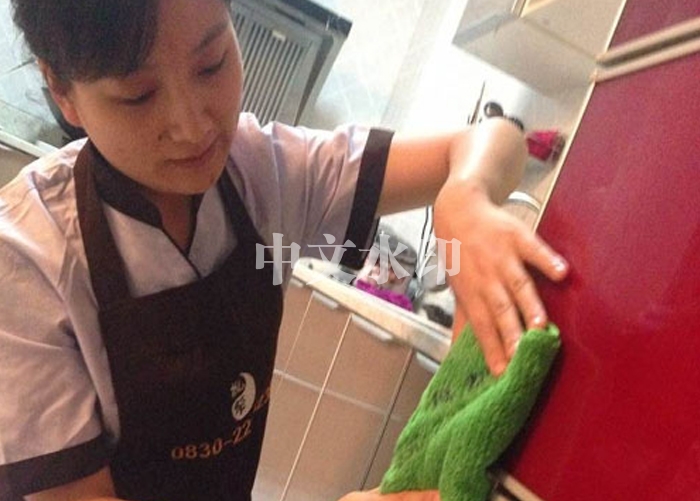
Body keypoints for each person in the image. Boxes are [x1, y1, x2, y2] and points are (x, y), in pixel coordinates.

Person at [0, 0, 569, 500]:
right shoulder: (26, 255)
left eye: (211, 64)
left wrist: (465, 196)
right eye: (138, 96)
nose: (192, 125)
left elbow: (496, 141)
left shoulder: (263, 173)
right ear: (62, 91)